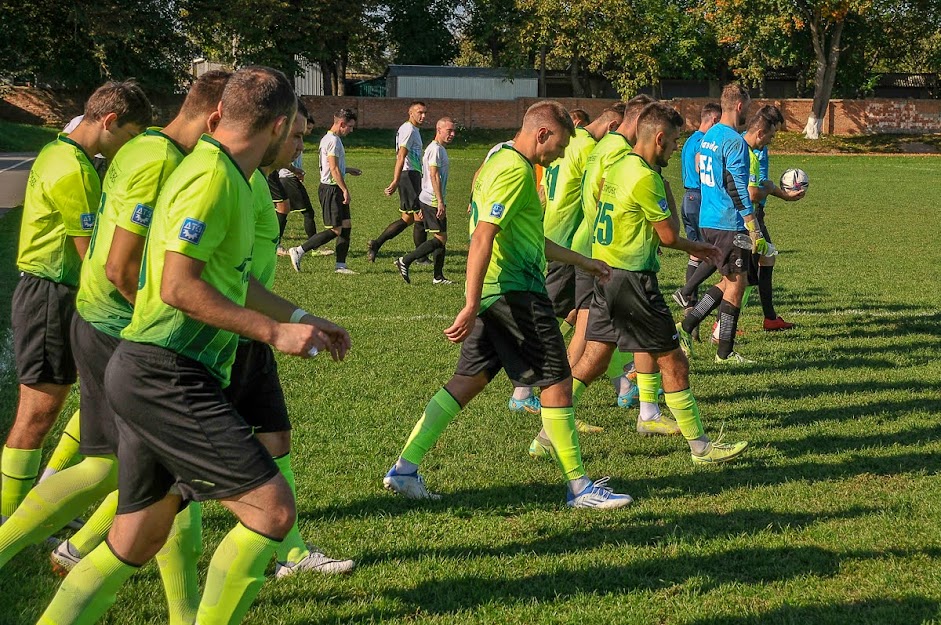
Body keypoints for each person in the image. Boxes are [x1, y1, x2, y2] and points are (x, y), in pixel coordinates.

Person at [36, 66, 350, 625]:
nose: (299, 145)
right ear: (277, 127)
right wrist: (274, 333)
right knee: (273, 513)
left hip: (154, 370)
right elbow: (180, 287)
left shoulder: (221, 169)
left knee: (135, 537)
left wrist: (302, 315)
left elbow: (232, 278)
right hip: (166, 373)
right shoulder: (212, 177)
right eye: (298, 135)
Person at [0, 72, 232, 625]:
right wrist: (150, 322)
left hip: (99, 315)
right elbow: (112, 263)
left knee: (153, 471)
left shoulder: (140, 151)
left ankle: (177, 605)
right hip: (93, 312)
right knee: (94, 453)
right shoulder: (146, 158)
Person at [382, 101, 632, 509]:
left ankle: (405, 469)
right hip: (515, 292)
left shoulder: (502, 162)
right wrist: (470, 301)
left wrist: (584, 262)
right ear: (542, 134)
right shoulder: (515, 169)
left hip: (500, 292)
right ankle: (580, 488)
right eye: (562, 144)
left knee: (469, 380)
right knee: (556, 379)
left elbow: (531, 237)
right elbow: (483, 236)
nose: (564, 154)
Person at [552, 102, 747, 462]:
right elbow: (669, 236)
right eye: (673, 142)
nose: (675, 149)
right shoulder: (645, 176)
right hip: (632, 281)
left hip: (606, 273)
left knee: (593, 359)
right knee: (674, 362)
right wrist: (702, 249)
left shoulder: (619, 165)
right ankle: (700, 447)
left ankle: (548, 434)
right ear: (658, 138)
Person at [2, 81, 150, 523]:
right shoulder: (74, 170)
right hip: (52, 294)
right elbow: (93, 255)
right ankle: (12, 516)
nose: (127, 148)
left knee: (94, 397)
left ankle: (48, 499)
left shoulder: (59, 151)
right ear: (108, 122)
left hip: (55, 291)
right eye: (127, 137)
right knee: (38, 411)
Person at [509, 103, 626, 420]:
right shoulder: (588, 147)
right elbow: (604, 190)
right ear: (613, 127)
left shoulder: (570, 141)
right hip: (568, 242)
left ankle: (623, 384)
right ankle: (536, 394)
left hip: (557, 235)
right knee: (559, 320)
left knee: (583, 317)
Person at [676, 83, 767, 364]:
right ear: (740, 106)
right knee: (738, 285)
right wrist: (752, 224)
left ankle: (687, 326)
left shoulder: (709, 136)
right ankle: (723, 352)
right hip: (729, 221)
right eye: (748, 107)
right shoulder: (734, 140)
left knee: (728, 281)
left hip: (708, 217)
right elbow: (736, 185)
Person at [743, 105, 804, 331]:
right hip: (748, 214)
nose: (772, 140)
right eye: (773, 133)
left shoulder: (760, 148)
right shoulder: (750, 150)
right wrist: (769, 191)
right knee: (742, 275)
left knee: (766, 258)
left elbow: (765, 185)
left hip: (757, 211)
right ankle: (717, 322)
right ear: (762, 129)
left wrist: (784, 196)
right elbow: (754, 190)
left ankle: (769, 318)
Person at [287, 108, 361, 274]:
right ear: (341, 124)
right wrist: (345, 190)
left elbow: (333, 167)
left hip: (334, 187)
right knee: (335, 230)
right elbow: (333, 169)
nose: (351, 130)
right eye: (349, 126)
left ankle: (340, 265)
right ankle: (299, 250)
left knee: (346, 225)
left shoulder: (331, 139)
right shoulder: (332, 141)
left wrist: (347, 169)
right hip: (331, 189)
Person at [394, 117, 456, 285]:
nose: (452, 134)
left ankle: (438, 276)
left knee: (440, 237)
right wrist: (440, 201)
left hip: (429, 197)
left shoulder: (437, 148)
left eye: (453, 131)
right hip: (433, 199)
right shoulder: (435, 149)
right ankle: (406, 260)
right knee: (441, 238)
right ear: (439, 129)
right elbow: (434, 175)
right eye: (449, 131)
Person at [673, 102, 721, 314]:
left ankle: (690, 305)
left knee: (696, 253)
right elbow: (700, 165)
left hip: (688, 199)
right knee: (713, 252)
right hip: (700, 198)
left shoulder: (690, 139)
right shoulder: (704, 141)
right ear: (714, 121)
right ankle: (687, 292)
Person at [367, 101, 429, 263]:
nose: (422, 116)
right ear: (410, 112)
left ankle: (376, 244)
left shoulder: (413, 129)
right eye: (419, 112)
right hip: (409, 176)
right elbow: (401, 156)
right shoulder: (408, 129)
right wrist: (395, 181)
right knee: (420, 216)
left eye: (424, 113)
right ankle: (421, 257)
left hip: (413, 175)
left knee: (407, 219)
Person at [275, 112, 325, 256]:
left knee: (283, 211)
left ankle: (276, 244)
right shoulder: (290, 140)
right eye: (308, 128)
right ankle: (313, 247)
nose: (309, 131)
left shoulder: (298, 140)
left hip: (289, 177)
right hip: (288, 178)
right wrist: (295, 171)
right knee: (307, 212)